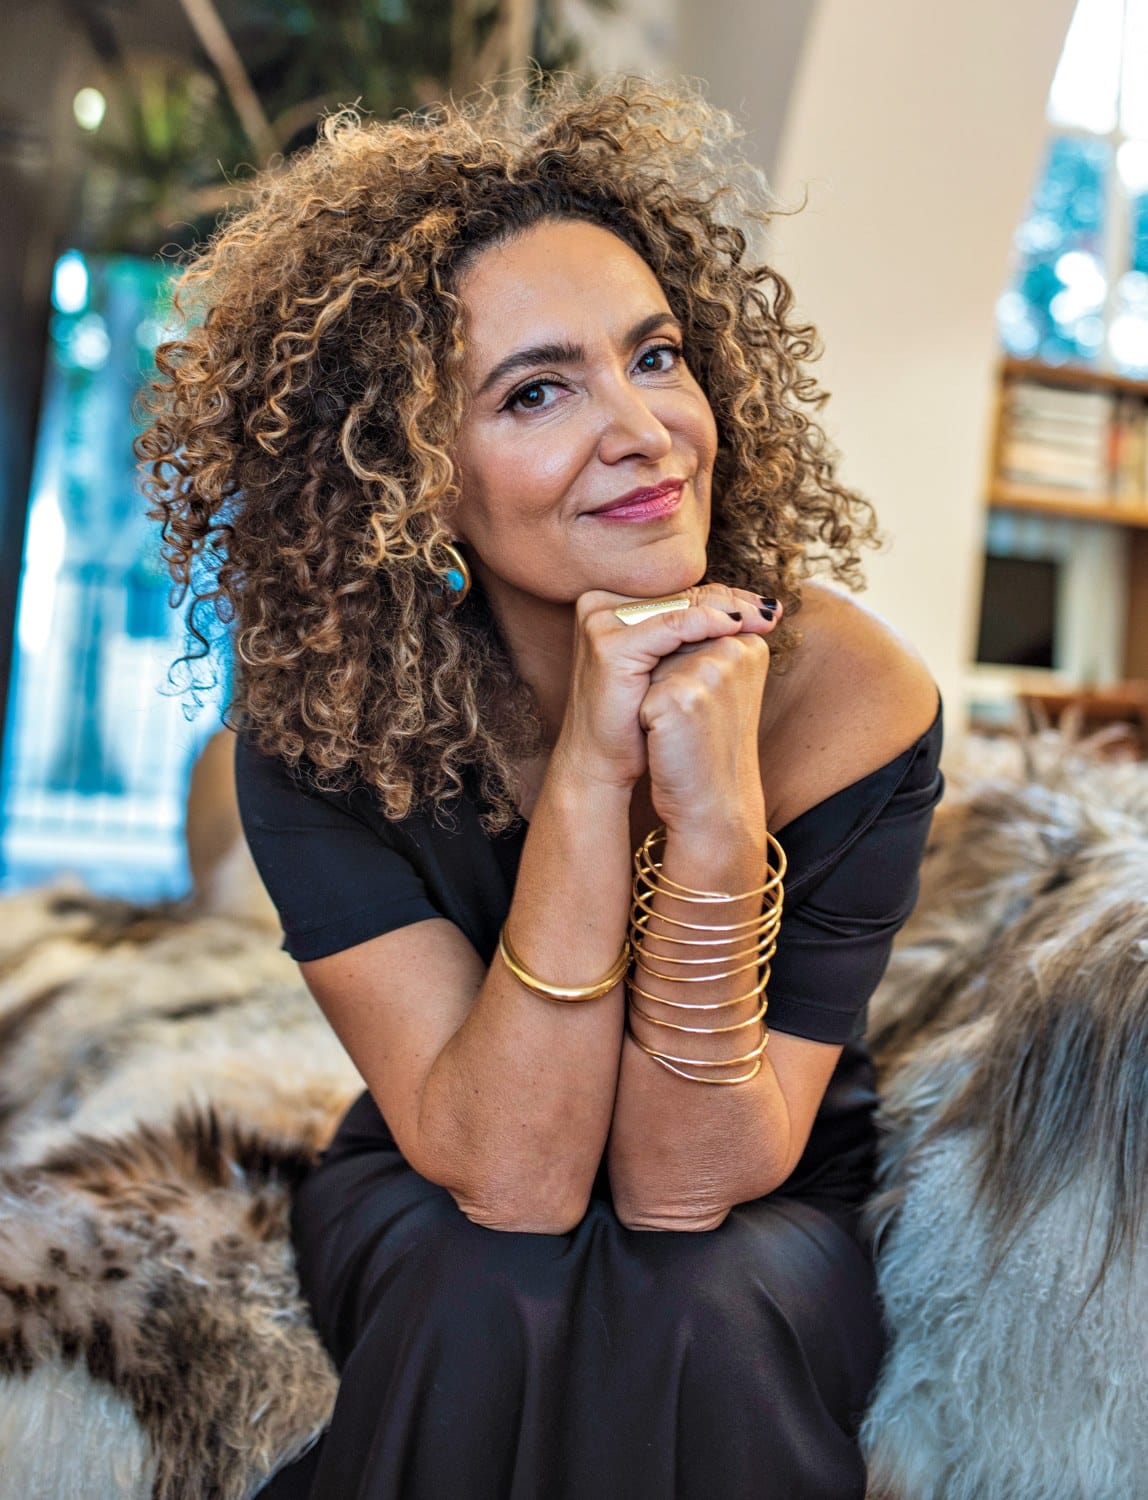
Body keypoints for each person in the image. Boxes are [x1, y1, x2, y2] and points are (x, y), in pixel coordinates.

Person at [139, 74, 943, 1500]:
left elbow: (685, 1186)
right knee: (480, 1280)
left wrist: (710, 824)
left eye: (656, 356)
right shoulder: (318, 729)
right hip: (449, 1161)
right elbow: (509, 1179)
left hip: (759, 1170)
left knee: (700, 1299)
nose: (640, 426)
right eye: (537, 390)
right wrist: (592, 773)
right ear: (407, 480)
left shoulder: (846, 694)